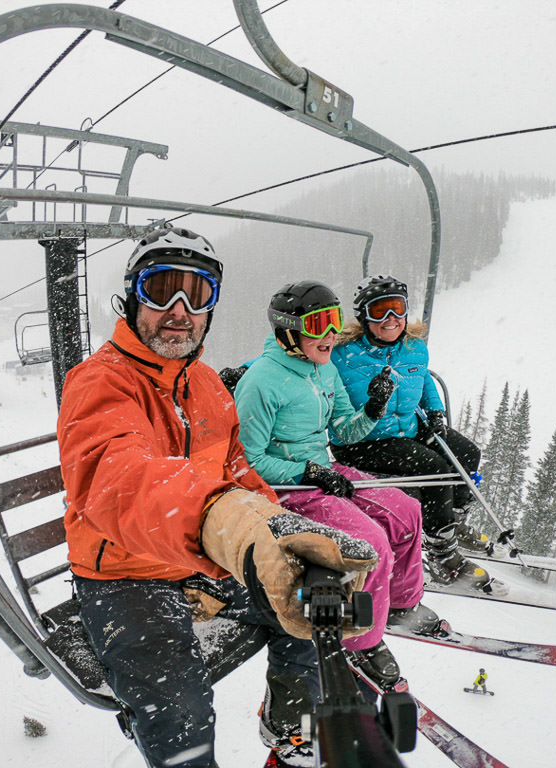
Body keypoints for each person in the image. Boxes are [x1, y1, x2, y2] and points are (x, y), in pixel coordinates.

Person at [57, 227, 379, 768]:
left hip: (202, 562)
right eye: (162, 291)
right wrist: (229, 528)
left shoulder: (206, 384)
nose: (179, 310)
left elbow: (238, 473)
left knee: (303, 611)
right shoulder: (100, 382)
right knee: (180, 710)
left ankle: (289, 724)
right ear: (133, 296)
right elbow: (117, 480)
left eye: (198, 294)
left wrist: (281, 535)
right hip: (124, 575)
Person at [232, 280, 442, 691]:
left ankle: (399, 602)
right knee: (373, 543)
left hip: (326, 471)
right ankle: (361, 643)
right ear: (290, 331)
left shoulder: (323, 367)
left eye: (335, 321)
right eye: (318, 323)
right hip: (290, 489)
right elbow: (248, 462)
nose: (330, 334)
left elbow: (345, 432)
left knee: (406, 512)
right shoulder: (262, 382)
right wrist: (307, 473)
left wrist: (373, 408)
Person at [330, 274, 504, 593]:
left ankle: (450, 520)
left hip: (407, 430)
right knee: (435, 470)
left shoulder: (414, 349)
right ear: (363, 316)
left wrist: (435, 410)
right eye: (379, 311)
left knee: (467, 454)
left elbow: (423, 381)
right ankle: (442, 556)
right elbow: (300, 357)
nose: (391, 319)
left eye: (397, 309)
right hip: (363, 440)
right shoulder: (342, 355)